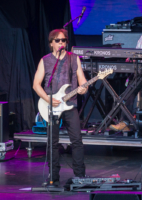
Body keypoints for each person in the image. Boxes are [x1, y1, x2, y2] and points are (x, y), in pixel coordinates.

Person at [33, 29, 88, 188]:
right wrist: (48, 99)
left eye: (63, 40)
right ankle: (53, 177)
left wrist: (84, 87)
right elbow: (36, 84)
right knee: (52, 142)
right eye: (57, 41)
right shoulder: (45, 61)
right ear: (51, 43)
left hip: (70, 104)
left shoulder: (74, 59)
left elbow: (82, 80)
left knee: (76, 140)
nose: (61, 43)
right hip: (52, 105)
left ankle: (80, 176)